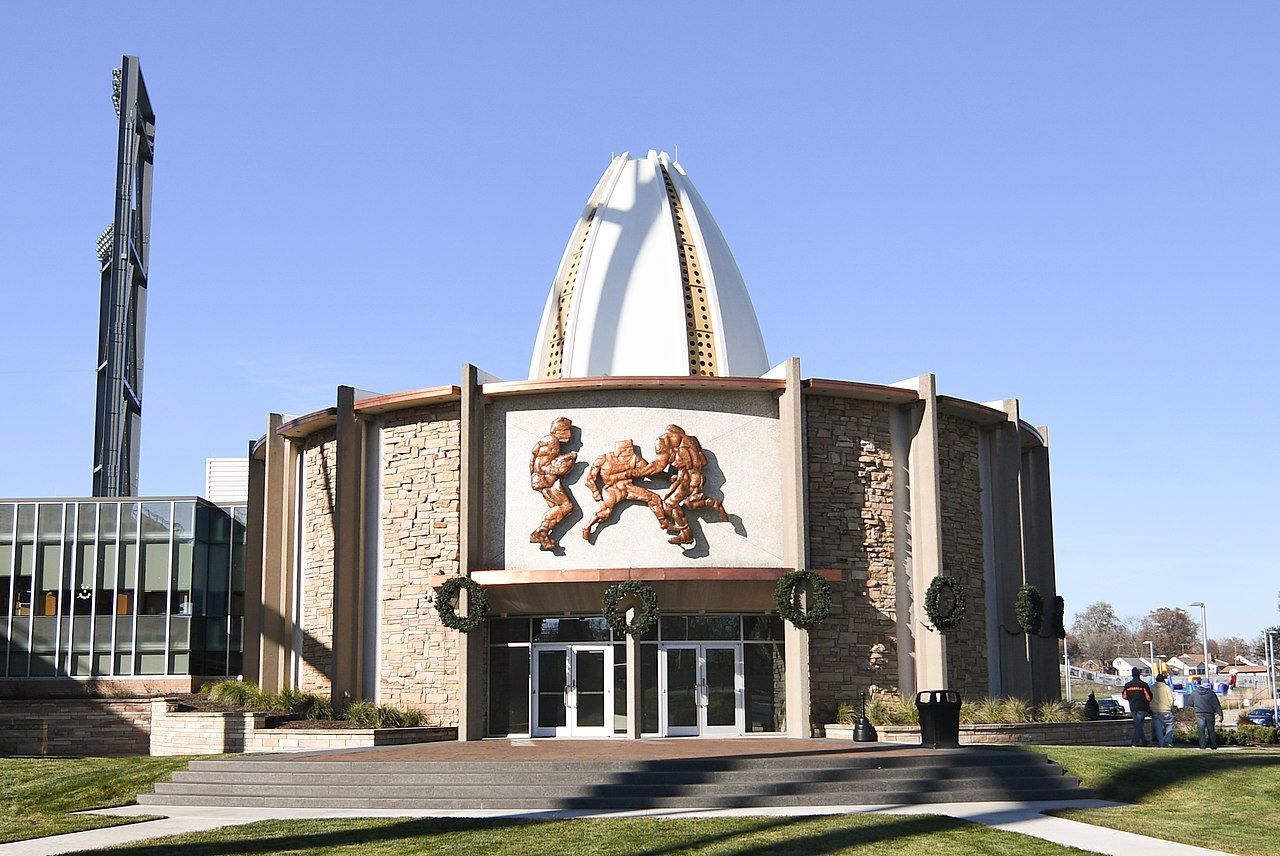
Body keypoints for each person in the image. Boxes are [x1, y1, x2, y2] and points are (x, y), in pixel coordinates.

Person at [1187, 676, 1224, 750]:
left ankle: (1202, 746)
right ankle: (1213, 746)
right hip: (1209, 714)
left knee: (1201, 730)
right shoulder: (1211, 693)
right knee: (1211, 730)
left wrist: (1196, 706)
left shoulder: (1194, 692)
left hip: (1199, 713)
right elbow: (1216, 705)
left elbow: (1189, 703)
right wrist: (1220, 714)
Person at [1121, 667, 1153, 746]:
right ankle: (1134, 743)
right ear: (1139, 675)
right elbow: (1148, 697)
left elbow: (1124, 697)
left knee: (1138, 724)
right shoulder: (1143, 685)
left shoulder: (1127, 685)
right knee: (1139, 725)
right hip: (1142, 707)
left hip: (1133, 707)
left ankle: (1144, 742)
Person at [1150, 672, 1176, 748]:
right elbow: (1171, 699)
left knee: (1158, 729)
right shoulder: (1167, 688)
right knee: (1170, 725)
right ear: (1163, 680)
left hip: (1155, 710)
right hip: (1166, 710)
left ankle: (1161, 743)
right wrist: (1171, 707)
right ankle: (1167, 741)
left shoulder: (1151, 687)